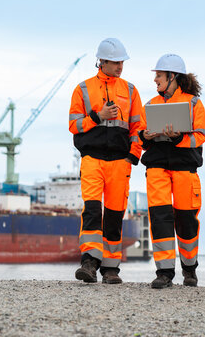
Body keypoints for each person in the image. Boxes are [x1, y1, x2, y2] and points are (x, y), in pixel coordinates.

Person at [68, 38, 143, 284]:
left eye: (121, 61)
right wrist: (97, 116)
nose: (120, 66)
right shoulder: (83, 89)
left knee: (114, 214)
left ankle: (111, 269)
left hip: (120, 162)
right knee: (91, 210)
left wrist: (134, 154)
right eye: (114, 62)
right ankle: (89, 262)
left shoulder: (131, 90)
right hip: (92, 159)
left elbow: (137, 127)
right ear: (102, 61)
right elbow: (74, 125)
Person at [138, 54, 205, 289]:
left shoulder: (194, 104)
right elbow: (140, 135)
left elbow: (200, 136)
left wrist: (178, 137)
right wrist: (144, 136)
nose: (155, 79)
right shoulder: (149, 105)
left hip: (185, 169)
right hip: (157, 167)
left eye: (158, 75)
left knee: (187, 221)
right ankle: (164, 273)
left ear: (172, 77)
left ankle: (190, 270)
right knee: (160, 220)